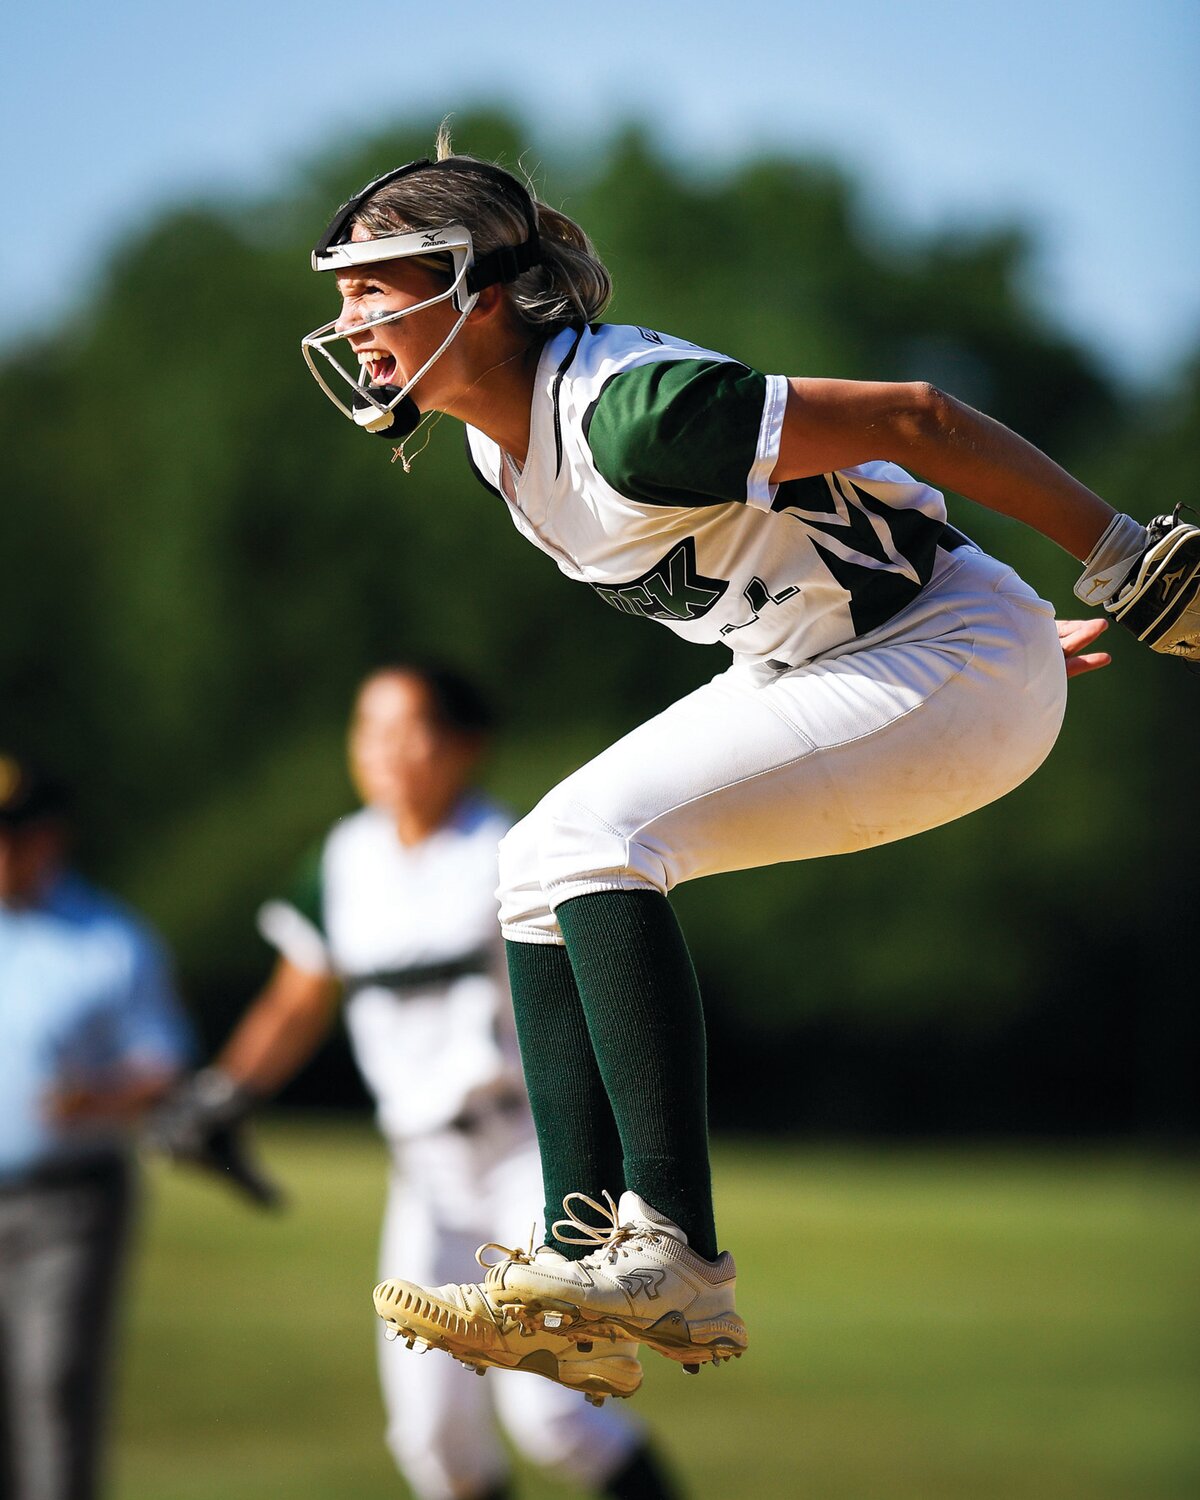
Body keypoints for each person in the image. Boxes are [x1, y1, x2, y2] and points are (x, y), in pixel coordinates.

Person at [296, 127, 1200, 1382]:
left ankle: (675, 1260)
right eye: (341, 298)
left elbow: (920, 418)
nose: (350, 325)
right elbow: (829, 540)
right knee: (530, 871)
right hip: (877, 654)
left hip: (943, 659)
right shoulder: (496, 444)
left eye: (371, 292)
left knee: (589, 844)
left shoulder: (629, 417)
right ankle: (585, 1281)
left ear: (480, 293)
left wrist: (1116, 552)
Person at [155, 666, 681, 1500]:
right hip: (424, 1175)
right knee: (433, 1441)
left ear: (465, 746)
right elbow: (300, 993)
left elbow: (594, 1000)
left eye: (410, 730)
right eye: (369, 730)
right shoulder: (344, 855)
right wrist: (228, 1088)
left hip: (531, 1159)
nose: (385, 752)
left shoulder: (514, 849)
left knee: (553, 1415)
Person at [0, 753, 193, 1500]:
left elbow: (165, 1061)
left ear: (51, 838)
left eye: (16, 835)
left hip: (67, 1202)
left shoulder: (109, 937)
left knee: (53, 1388)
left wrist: (101, 1095)